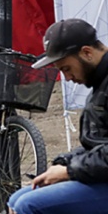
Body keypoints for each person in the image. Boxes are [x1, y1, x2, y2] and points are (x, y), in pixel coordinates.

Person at [7, 19, 108, 214]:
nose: (67, 78)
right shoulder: (100, 82)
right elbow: (98, 144)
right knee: (15, 200)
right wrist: (65, 161)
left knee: (26, 205)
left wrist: (69, 171)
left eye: (66, 69)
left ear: (87, 53)